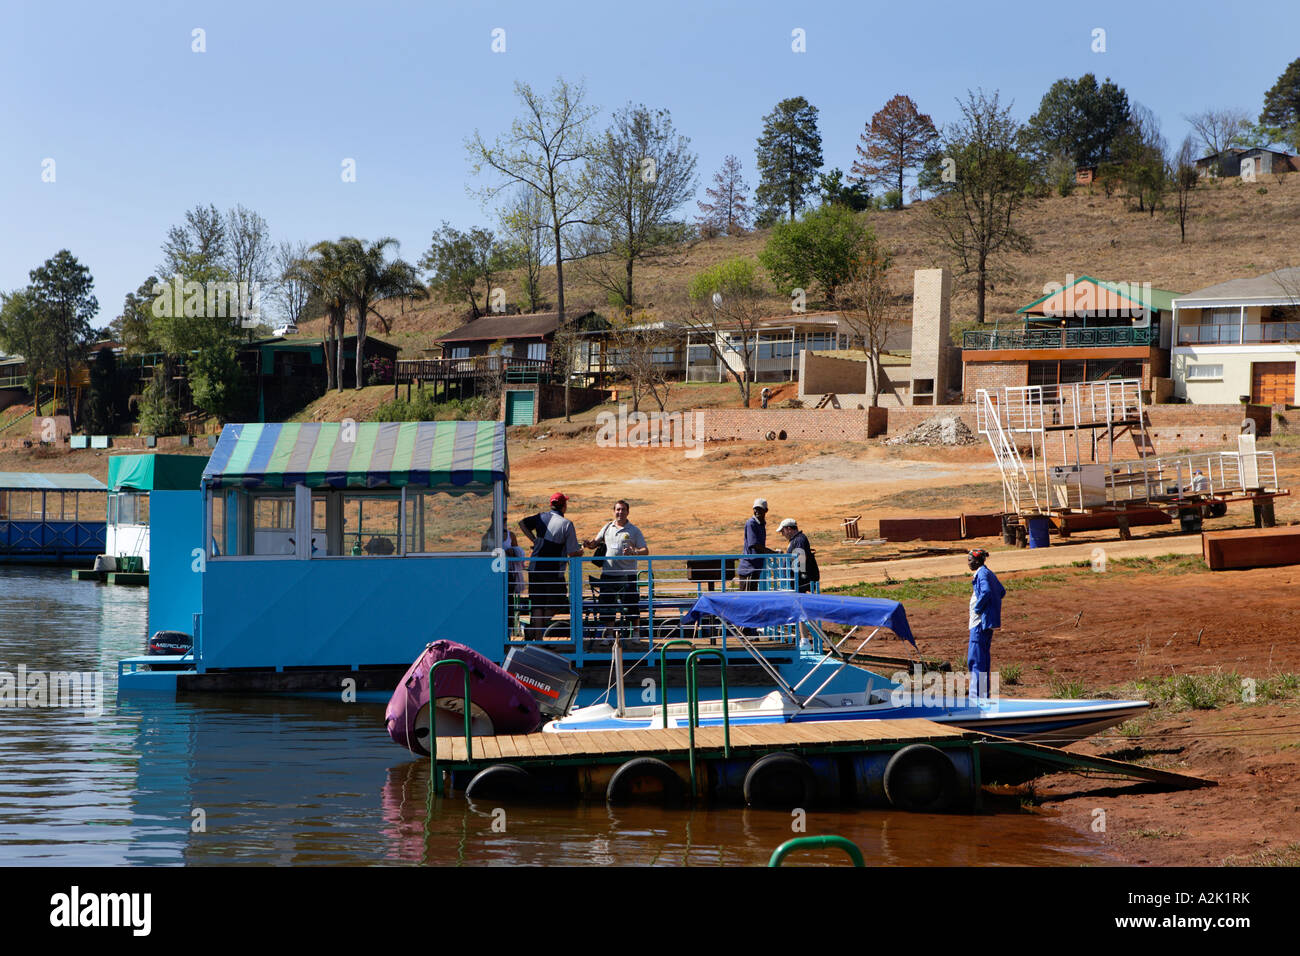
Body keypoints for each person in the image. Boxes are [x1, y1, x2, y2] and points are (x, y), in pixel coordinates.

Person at [582, 499, 649, 640]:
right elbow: (595, 543)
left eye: (623, 509)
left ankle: (636, 634)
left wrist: (634, 552)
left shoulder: (634, 530)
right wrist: (589, 544)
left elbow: (645, 550)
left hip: (628, 574)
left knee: (631, 604)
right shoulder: (607, 527)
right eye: (618, 509)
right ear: (614, 511)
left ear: (628, 512)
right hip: (608, 574)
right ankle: (610, 635)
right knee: (607, 606)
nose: (620, 512)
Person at [518, 493, 582, 639]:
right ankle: (534, 631)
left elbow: (522, 523)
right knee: (559, 600)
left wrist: (534, 539)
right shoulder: (566, 524)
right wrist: (581, 551)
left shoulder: (541, 517)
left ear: (551, 504)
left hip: (535, 567)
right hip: (553, 570)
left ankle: (537, 638)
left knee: (537, 604)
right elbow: (572, 553)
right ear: (564, 506)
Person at [966, 549, 1006, 701]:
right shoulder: (988, 573)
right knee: (982, 658)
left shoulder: (982, 574)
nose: (968, 562)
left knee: (975, 659)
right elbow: (1001, 591)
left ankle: (976, 698)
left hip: (979, 623)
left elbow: (988, 591)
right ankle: (983, 694)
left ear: (977, 561)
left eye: (970, 560)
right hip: (986, 623)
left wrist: (979, 609)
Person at [738, 498, 775, 591]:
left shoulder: (761, 524)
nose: (757, 511)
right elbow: (754, 544)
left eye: (760, 509)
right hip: (749, 567)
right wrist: (772, 552)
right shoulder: (751, 523)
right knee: (747, 597)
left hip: (755, 566)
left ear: (766, 511)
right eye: (755, 509)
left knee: (751, 595)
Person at [777, 518, 820, 593]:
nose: (782, 534)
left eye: (783, 531)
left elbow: (800, 560)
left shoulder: (799, 540)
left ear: (789, 529)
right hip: (797, 580)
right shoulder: (796, 540)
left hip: (799, 581)